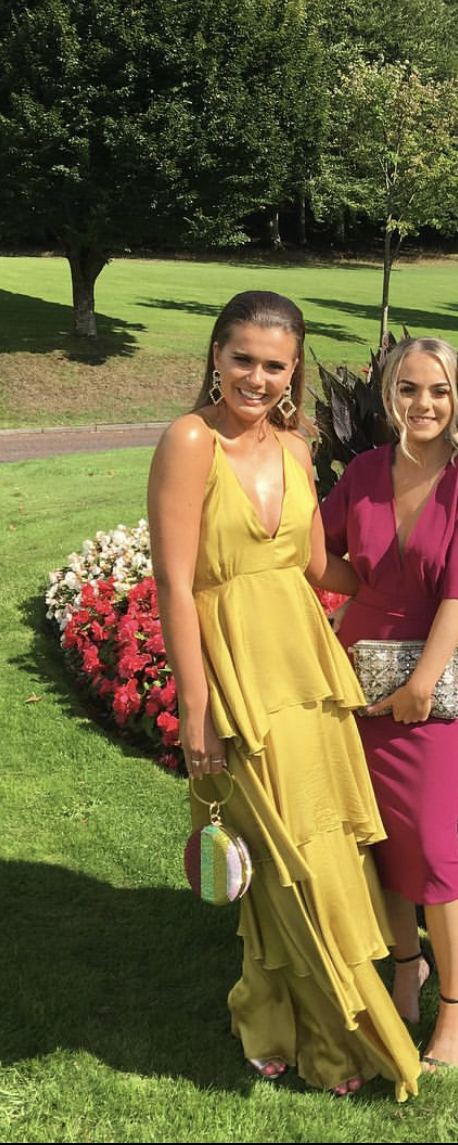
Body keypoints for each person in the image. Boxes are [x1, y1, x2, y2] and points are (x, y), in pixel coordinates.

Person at [148, 290, 419, 1098]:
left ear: (293, 368)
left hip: (305, 673)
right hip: (235, 677)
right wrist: (196, 708)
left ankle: (270, 1014)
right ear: (216, 355)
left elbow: (309, 564)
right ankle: (322, 1035)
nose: (257, 379)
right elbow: (173, 583)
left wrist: (398, 576)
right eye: (243, 359)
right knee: (274, 855)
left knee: (318, 851)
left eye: (275, 365)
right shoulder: (190, 440)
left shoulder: (297, 449)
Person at [321, 336, 458, 1071]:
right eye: (409, 388)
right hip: (360, 684)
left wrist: (421, 685)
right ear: (389, 395)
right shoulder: (366, 471)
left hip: (434, 692)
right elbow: (320, 553)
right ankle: (408, 969)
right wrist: (358, 592)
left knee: (434, 852)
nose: (423, 404)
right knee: (379, 846)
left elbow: (457, 597)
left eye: (439, 390)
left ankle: (454, 1013)